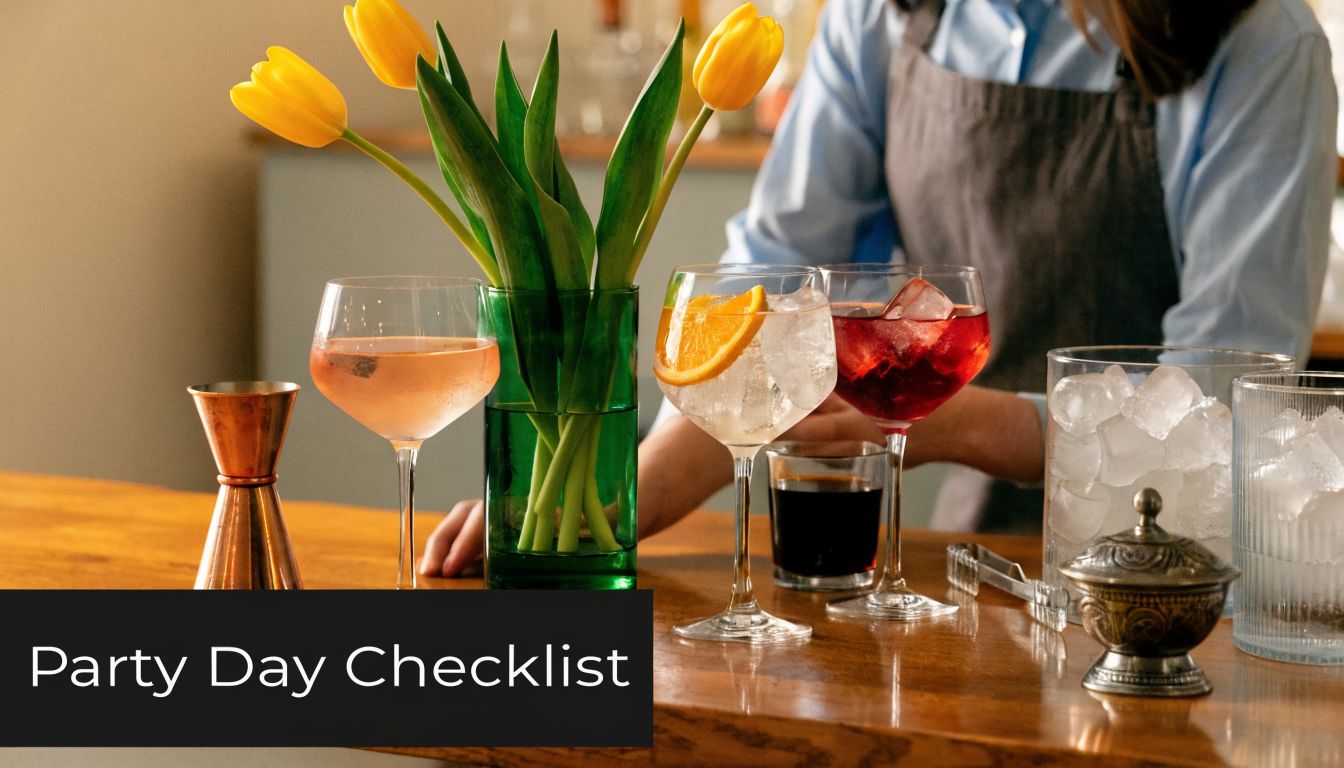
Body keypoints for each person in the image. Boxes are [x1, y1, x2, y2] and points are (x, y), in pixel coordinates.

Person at [421, 0, 1336, 576]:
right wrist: (605, 512)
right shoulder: (881, 18)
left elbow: (1222, 409)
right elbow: (763, 314)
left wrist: (961, 424)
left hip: (1178, 577)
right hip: (975, 562)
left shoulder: (1262, 43)